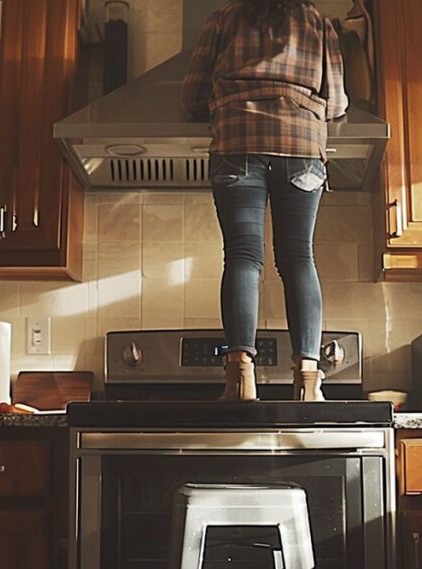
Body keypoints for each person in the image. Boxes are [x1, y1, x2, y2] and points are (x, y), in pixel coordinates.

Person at [182, 0, 348, 401]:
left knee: (242, 256)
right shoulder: (318, 24)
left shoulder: (223, 17)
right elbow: (338, 103)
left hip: (237, 139)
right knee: (298, 257)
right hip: (301, 144)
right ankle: (308, 377)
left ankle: (240, 376)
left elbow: (191, 96)